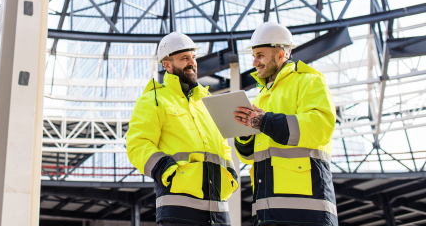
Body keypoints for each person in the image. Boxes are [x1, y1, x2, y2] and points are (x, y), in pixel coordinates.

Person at [127, 31, 239, 226]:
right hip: (179, 206)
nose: (191, 62)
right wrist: (164, 168)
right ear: (167, 65)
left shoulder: (206, 101)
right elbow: (137, 144)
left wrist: (230, 172)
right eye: (184, 58)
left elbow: (222, 144)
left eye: (193, 57)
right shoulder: (153, 100)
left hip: (218, 206)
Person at [232, 22, 337, 226]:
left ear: (281, 54)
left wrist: (266, 121)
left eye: (260, 55)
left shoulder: (310, 81)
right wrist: (244, 135)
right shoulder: (261, 98)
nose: (254, 62)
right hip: (266, 210)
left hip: (308, 209)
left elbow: (320, 127)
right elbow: (249, 156)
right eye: (253, 55)